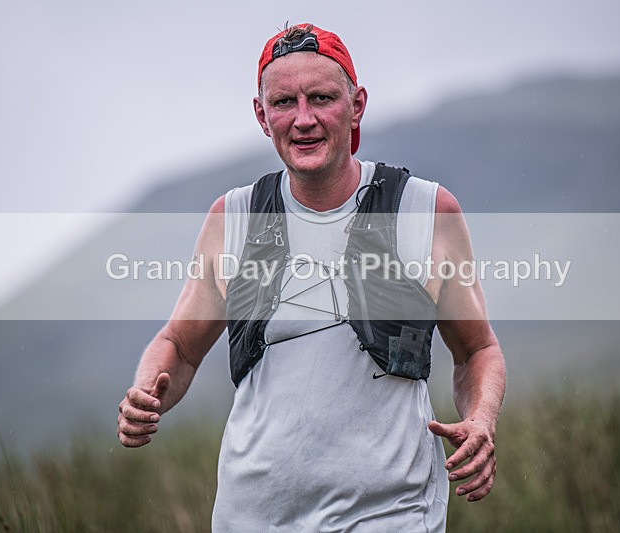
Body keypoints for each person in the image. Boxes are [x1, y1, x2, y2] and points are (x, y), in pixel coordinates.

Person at [117, 23, 506, 531]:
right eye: (284, 103)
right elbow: (180, 347)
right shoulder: (234, 218)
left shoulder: (424, 210)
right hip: (252, 516)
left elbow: (478, 351)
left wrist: (481, 421)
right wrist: (146, 393)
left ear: (356, 104)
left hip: (389, 514)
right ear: (262, 115)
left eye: (321, 98)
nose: (303, 119)